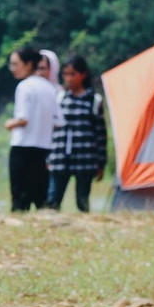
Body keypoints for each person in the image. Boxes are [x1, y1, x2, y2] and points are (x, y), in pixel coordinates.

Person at [47, 55, 109, 213]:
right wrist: (48, 156)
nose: (68, 78)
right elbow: (51, 129)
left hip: (85, 158)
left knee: (82, 200)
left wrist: (101, 163)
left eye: (72, 74)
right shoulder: (59, 97)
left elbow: (100, 134)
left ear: (83, 75)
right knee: (53, 199)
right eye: (65, 74)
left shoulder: (93, 100)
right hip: (60, 156)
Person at [4, 46, 60, 211]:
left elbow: (23, 119)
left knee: (20, 197)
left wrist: (10, 123)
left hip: (22, 147)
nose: (12, 68)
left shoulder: (24, 86)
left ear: (28, 64)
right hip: (42, 148)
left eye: (15, 64)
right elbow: (58, 121)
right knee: (40, 196)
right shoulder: (49, 87)